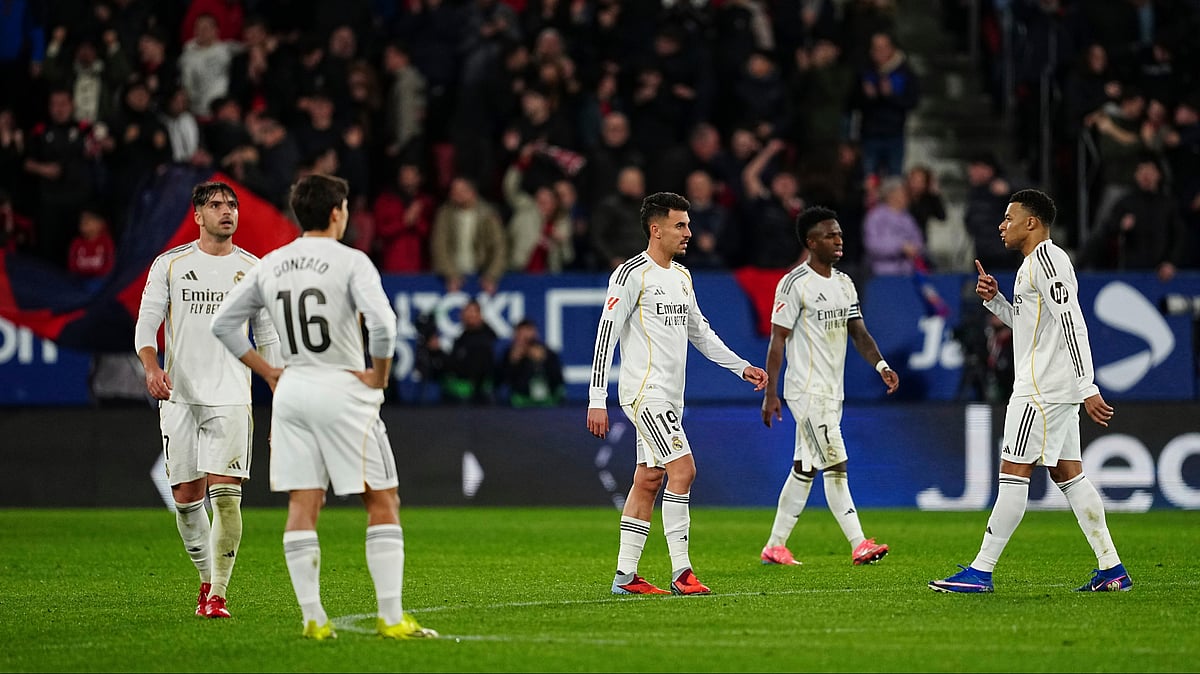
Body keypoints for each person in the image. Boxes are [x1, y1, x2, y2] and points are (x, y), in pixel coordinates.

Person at [210, 174, 438, 639]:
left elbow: (224, 325)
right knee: (382, 499)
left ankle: (313, 618)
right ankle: (391, 618)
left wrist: (268, 371)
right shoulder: (351, 261)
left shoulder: (271, 263)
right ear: (337, 213)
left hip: (292, 389)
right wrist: (379, 375)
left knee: (303, 502)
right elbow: (384, 325)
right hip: (343, 387)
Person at [930, 189, 1131, 594]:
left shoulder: (1047, 261)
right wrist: (997, 303)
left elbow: (1072, 321)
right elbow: (1029, 324)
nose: (1002, 225)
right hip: (1053, 387)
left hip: (1041, 390)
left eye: (1009, 218)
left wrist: (1087, 386)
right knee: (1068, 473)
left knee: (1013, 474)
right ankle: (1112, 568)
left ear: (1032, 223)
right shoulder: (1030, 266)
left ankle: (981, 571)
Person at [587, 191, 769, 596]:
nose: (689, 232)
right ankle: (682, 572)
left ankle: (625, 577)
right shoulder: (631, 274)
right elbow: (607, 332)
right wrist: (596, 398)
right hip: (644, 392)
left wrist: (742, 366)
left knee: (649, 478)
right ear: (656, 229)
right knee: (683, 470)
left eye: (687, 224)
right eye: (680, 225)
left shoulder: (682, 276)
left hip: (671, 397)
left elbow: (700, 332)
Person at [134, 181, 282, 620]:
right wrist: (150, 367)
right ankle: (205, 577)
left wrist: (279, 394)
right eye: (216, 205)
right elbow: (147, 324)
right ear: (197, 215)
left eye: (231, 205)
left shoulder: (254, 270)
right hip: (179, 395)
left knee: (227, 496)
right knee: (185, 498)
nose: (227, 211)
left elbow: (268, 336)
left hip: (232, 396)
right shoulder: (171, 265)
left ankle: (217, 594)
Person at [759, 206, 898, 568]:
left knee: (804, 467)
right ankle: (859, 543)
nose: (839, 240)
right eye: (829, 235)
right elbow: (778, 341)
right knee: (836, 463)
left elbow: (858, 332)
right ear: (811, 242)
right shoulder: (794, 284)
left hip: (832, 391)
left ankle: (775, 545)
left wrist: (881, 364)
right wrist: (771, 393)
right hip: (806, 391)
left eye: (839, 234)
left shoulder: (843, 283)